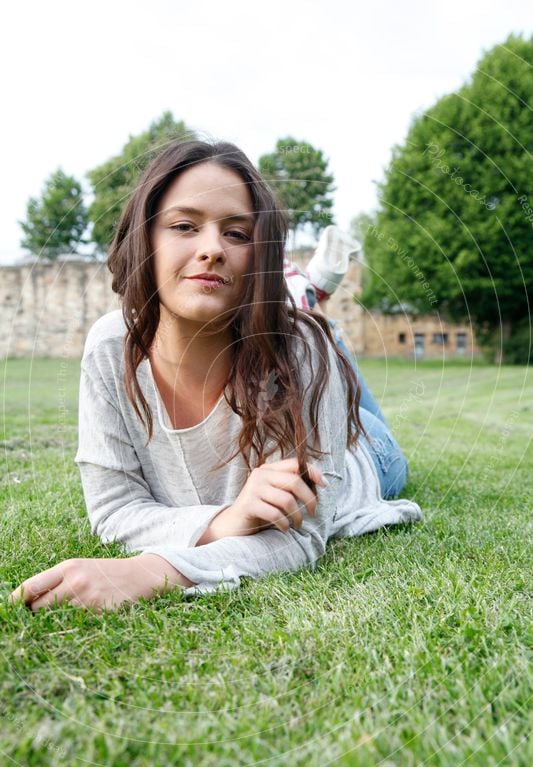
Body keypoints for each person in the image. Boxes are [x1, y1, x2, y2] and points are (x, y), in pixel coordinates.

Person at [9, 139, 421, 613]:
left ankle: (320, 327)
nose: (211, 250)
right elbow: (114, 511)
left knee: (350, 398)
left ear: (259, 256)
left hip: (366, 457)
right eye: (184, 226)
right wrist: (227, 521)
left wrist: (153, 570)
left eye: (237, 234)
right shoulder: (109, 348)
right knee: (316, 343)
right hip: (299, 380)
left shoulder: (300, 351)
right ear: (145, 239)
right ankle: (312, 307)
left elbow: (303, 536)